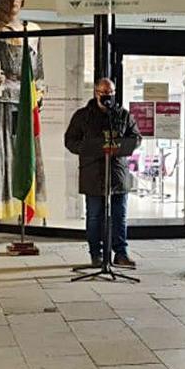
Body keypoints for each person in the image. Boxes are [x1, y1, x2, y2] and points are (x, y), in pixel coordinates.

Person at [0, 0, 48, 222]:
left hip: (25, 99)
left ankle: (27, 205)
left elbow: (38, 70)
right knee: (1, 151)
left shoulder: (33, 30)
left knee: (26, 151)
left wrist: (39, 94)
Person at [65, 78, 143, 267]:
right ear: (95, 93)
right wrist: (88, 148)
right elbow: (70, 140)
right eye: (103, 92)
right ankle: (96, 254)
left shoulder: (123, 115)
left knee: (119, 216)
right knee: (94, 216)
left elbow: (136, 137)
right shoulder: (82, 116)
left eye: (111, 93)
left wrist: (125, 145)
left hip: (117, 175)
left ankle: (120, 253)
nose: (107, 96)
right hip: (93, 174)